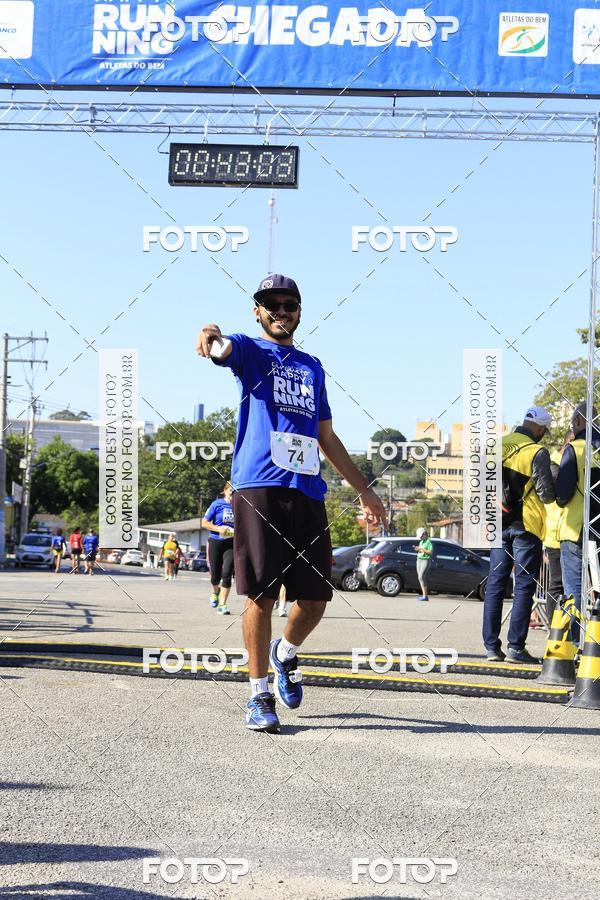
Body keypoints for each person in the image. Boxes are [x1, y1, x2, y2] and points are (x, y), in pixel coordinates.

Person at [196, 273, 387, 733]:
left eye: (289, 305)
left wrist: (364, 489)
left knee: (316, 597)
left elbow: (326, 437)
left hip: (307, 490)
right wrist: (210, 334)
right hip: (258, 485)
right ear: (257, 311)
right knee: (261, 595)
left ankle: (285, 653)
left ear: (300, 311)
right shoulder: (249, 349)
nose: (281, 311)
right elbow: (221, 349)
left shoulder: (312, 367)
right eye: (272, 305)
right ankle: (258, 695)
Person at [482, 406, 555, 663]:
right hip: (526, 526)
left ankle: (491, 648)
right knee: (523, 585)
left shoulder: (496, 445)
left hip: (498, 524)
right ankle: (515, 648)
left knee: (495, 583)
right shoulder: (537, 452)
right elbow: (546, 494)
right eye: (544, 430)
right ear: (540, 428)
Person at [556, 403, 600, 647]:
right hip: (598, 530)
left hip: (576, 528)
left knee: (574, 590)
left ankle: (575, 645)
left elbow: (562, 494)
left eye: (574, 421)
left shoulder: (575, 448)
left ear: (581, 421)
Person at [542, 435, 572, 624]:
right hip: (559, 533)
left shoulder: (553, 463)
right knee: (558, 584)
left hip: (559, 531)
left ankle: (556, 628)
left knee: (559, 584)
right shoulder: (558, 466)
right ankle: (555, 628)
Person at [202, 483, 235, 614]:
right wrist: (218, 529)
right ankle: (216, 591)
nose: (233, 492)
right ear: (225, 491)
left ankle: (223, 605)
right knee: (215, 576)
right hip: (215, 541)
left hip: (231, 543)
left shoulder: (240, 506)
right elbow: (204, 523)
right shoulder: (217, 504)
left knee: (227, 574)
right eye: (231, 490)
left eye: (236, 490)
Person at [414, 527, 433, 602]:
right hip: (419, 559)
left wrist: (421, 549)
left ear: (424, 534)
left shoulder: (428, 542)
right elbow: (421, 551)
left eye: (421, 536)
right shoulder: (421, 542)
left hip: (425, 560)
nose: (420, 538)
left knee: (421, 577)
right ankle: (424, 595)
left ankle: (425, 596)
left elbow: (430, 552)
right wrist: (417, 549)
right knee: (420, 578)